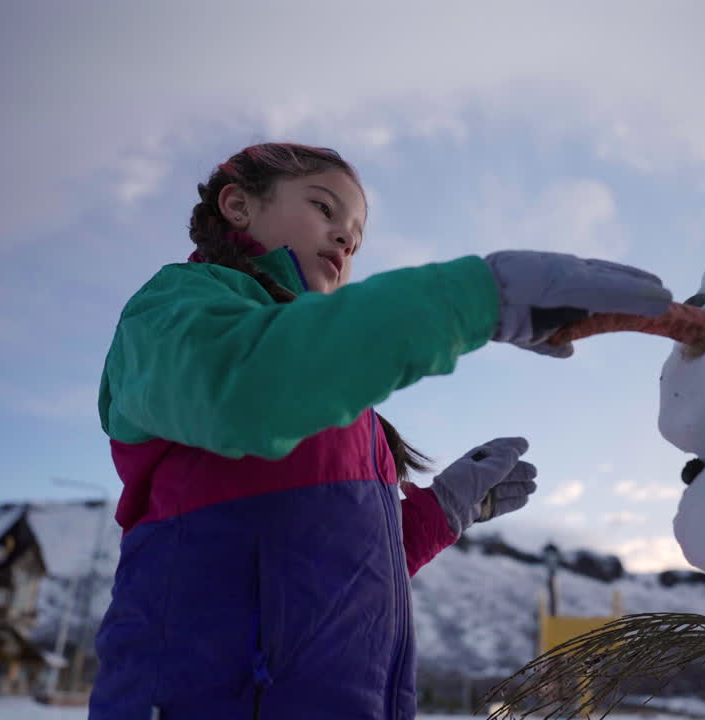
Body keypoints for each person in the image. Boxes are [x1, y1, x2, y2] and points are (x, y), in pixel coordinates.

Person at [89, 143, 673, 719]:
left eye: (357, 236)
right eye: (324, 209)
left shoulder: (340, 399)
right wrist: (471, 298)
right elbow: (242, 391)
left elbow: (339, 567)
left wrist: (441, 511)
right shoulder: (175, 309)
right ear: (239, 205)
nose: (346, 239)